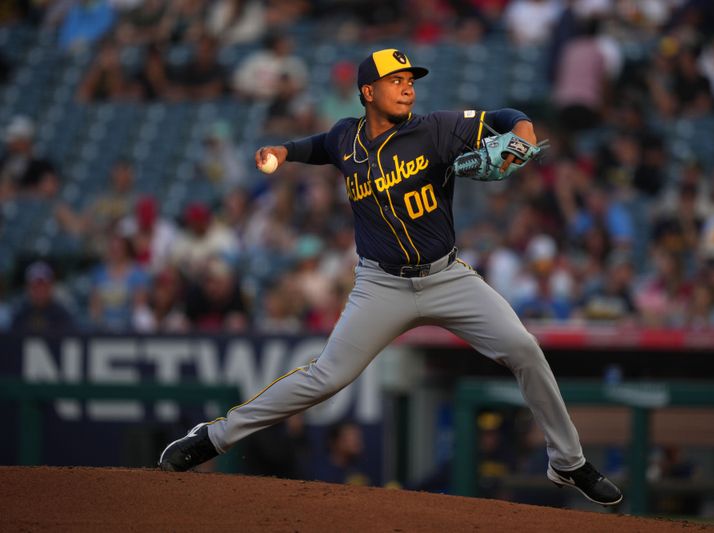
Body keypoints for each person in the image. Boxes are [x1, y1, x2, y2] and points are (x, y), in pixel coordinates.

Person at [158, 48, 623, 507]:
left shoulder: (437, 128)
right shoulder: (346, 138)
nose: (407, 86)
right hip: (381, 286)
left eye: (411, 80)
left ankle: (568, 460)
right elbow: (318, 146)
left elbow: (506, 115)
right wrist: (283, 151)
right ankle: (214, 438)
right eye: (396, 79)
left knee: (524, 349)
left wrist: (522, 132)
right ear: (367, 91)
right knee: (325, 377)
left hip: (447, 278)